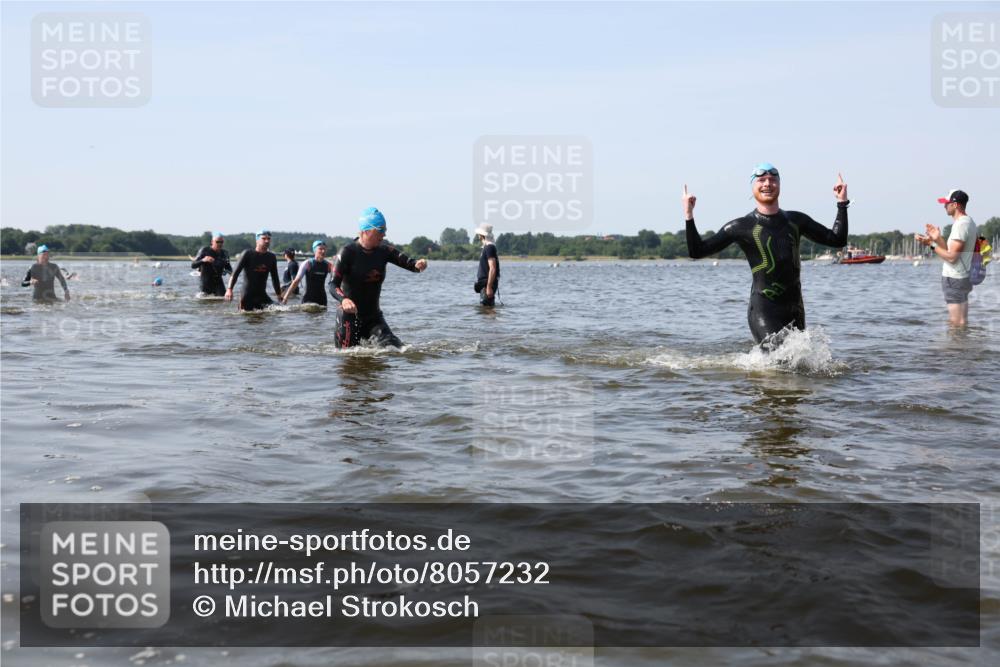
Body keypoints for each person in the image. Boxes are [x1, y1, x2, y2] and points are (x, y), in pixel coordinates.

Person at [684, 163, 849, 346]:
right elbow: (697, 251)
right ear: (753, 186)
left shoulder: (796, 220)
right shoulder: (741, 226)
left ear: (779, 184)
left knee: (800, 366)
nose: (767, 184)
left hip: (796, 309)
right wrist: (688, 214)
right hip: (764, 309)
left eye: (772, 180)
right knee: (778, 357)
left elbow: (836, 240)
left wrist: (842, 202)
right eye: (761, 180)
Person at [329, 207, 428, 348]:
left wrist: (420, 264)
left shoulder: (384, 251)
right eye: (381, 230)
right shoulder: (347, 252)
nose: (384, 234)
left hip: (374, 319)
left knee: (397, 349)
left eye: (385, 230)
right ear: (366, 230)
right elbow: (332, 284)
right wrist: (343, 299)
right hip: (349, 318)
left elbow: (412, 265)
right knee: (348, 360)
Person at [915, 189, 977, 327]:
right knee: (960, 321)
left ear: (955, 205)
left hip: (955, 279)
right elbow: (951, 251)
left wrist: (930, 245)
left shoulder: (961, 225)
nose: (944, 206)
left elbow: (952, 257)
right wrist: (938, 239)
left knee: (956, 322)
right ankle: (962, 347)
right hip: (961, 278)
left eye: (946, 203)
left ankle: (955, 348)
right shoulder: (967, 222)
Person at [225, 229, 282, 311]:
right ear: (257, 240)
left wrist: (279, 294)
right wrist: (229, 289)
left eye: (268, 239)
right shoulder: (247, 254)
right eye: (264, 238)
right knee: (249, 319)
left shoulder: (271, 257)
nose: (267, 241)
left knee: (280, 310)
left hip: (262, 296)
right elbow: (235, 274)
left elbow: (275, 277)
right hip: (247, 296)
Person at [282, 240, 334, 306]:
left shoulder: (328, 265)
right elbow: (296, 281)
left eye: (324, 249)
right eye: (320, 249)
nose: (323, 251)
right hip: (308, 299)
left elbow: (338, 280)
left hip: (322, 300)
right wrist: (285, 297)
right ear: (314, 250)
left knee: (322, 316)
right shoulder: (307, 263)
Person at [473, 223, 500, 307]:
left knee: (487, 310)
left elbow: (492, 268)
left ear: (482, 235)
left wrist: (488, 287)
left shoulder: (489, 247)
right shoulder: (487, 247)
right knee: (486, 313)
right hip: (485, 285)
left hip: (487, 285)